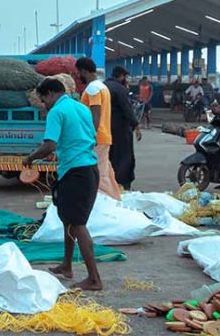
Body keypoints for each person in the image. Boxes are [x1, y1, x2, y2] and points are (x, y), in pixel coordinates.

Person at [23, 78, 103, 291]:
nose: (44, 105)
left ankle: (94, 278)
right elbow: (85, 138)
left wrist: (31, 158)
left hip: (75, 173)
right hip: (89, 169)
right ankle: (67, 265)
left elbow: (49, 144)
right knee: (68, 219)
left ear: (49, 94)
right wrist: (61, 153)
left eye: (43, 100)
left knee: (78, 224)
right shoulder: (81, 108)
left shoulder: (56, 113)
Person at [75, 57, 122, 200]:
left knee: (99, 173)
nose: (77, 76)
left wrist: (91, 135)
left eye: (78, 73)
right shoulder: (102, 86)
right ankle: (115, 197)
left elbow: (96, 113)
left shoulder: (93, 89)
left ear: (83, 71)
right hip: (104, 135)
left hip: (97, 137)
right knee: (106, 170)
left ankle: (103, 201)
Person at [104, 66, 141, 191]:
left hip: (105, 129)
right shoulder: (120, 89)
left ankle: (108, 184)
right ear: (121, 76)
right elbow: (127, 109)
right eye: (125, 77)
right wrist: (136, 125)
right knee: (124, 157)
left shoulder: (103, 86)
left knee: (108, 156)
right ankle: (122, 184)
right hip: (121, 129)